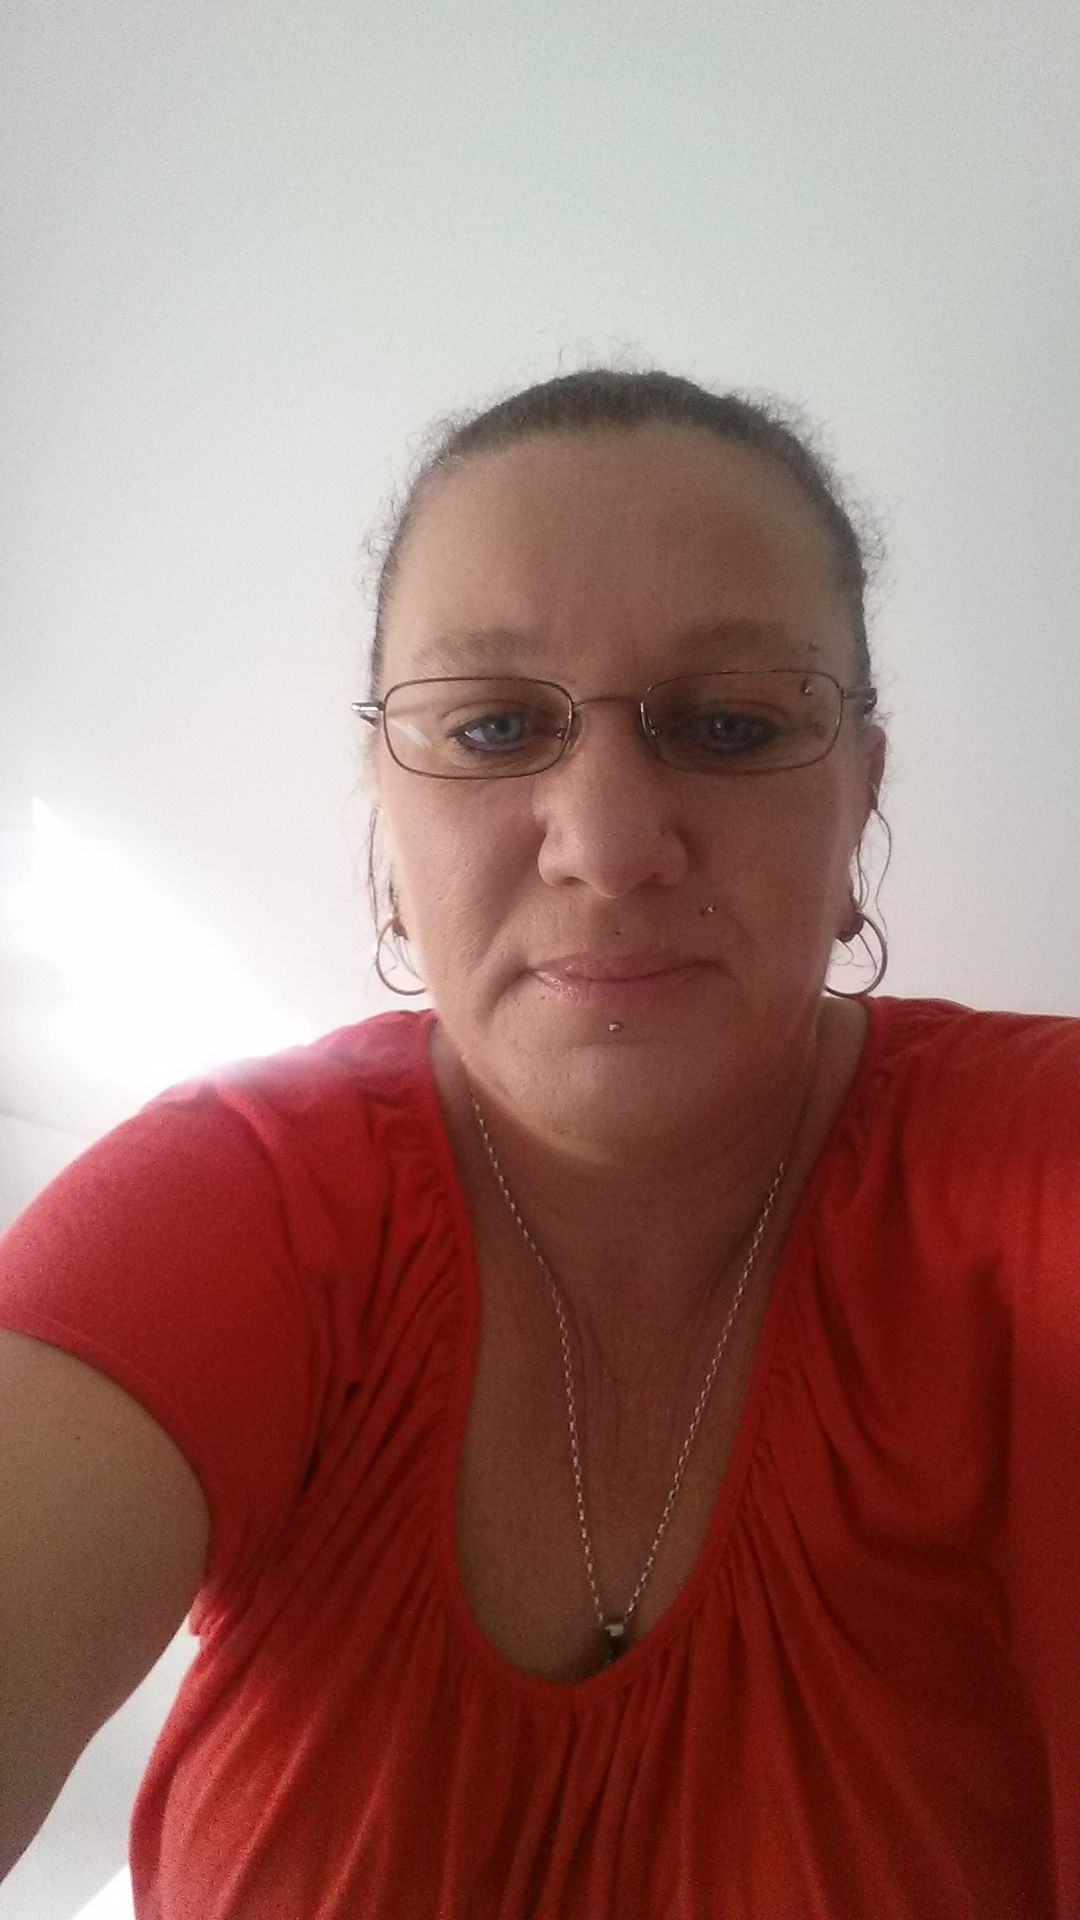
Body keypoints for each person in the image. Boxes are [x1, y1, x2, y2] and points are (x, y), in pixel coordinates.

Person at [0, 368, 1076, 1920]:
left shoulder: (1039, 1163)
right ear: (386, 803)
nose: (608, 845)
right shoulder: (228, 1203)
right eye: (495, 725)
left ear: (860, 795)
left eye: (731, 724)